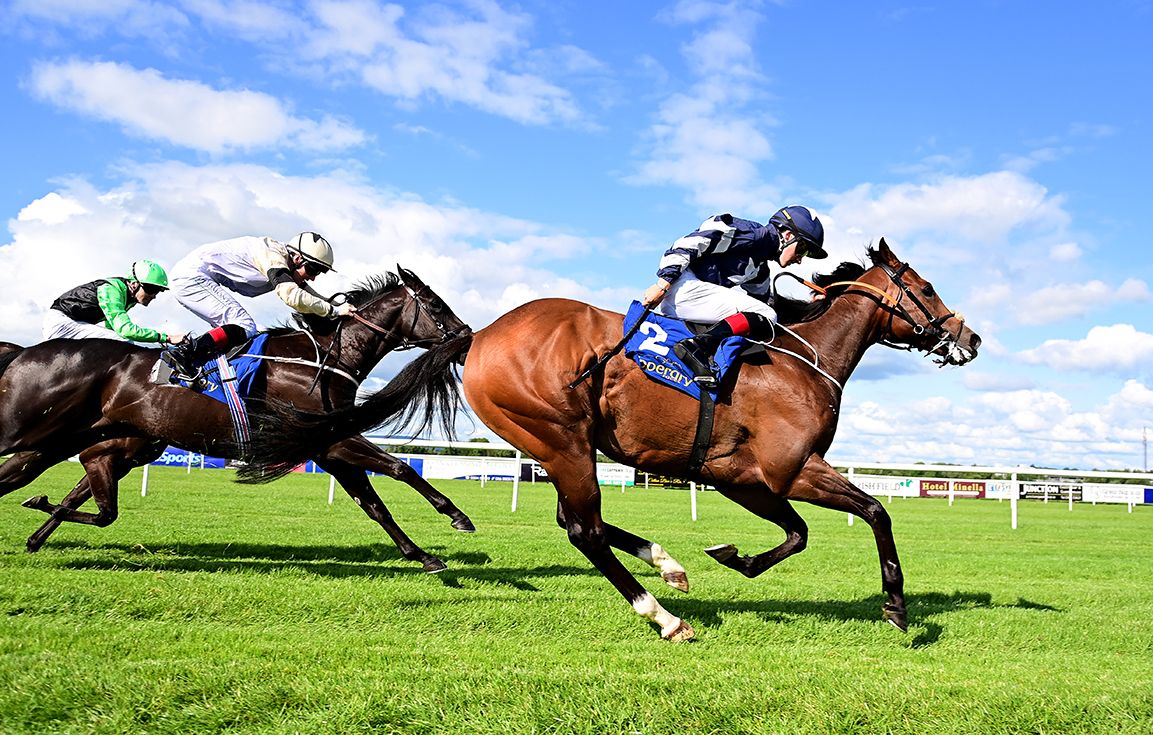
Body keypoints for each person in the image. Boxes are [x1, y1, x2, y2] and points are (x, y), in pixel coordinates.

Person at [639, 205, 827, 388]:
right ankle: (698, 348)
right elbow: (687, 244)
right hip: (681, 287)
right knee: (766, 314)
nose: (800, 259)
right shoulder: (750, 234)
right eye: (803, 250)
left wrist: (812, 308)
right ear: (788, 236)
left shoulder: (760, 268)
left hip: (691, 301)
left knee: (764, 317)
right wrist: (663, 284)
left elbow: (765, 309)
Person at [161, 231, 356, 377]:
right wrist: (333, 310)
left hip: (196, 277)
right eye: (313, 269)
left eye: (319, 273)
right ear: (297, 258)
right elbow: (292, 296)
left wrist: (337, 306)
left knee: (241, 330)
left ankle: (207, 368)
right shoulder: (273, 255)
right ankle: (184, 355)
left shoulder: (285, 261)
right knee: (245, 325)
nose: (313, 277)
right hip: (193, 277)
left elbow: (305, 291)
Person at [43, 259, 187, 347]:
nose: (153, 295)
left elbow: (112, 328)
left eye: (158, 290)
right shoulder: (112, 290)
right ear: (134, 284)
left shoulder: (128, 297)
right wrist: (167, 338)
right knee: (123, 342)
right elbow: (126, 331)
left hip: (71, 323)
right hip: (62, 323)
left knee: (117, 342)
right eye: (151, 289)